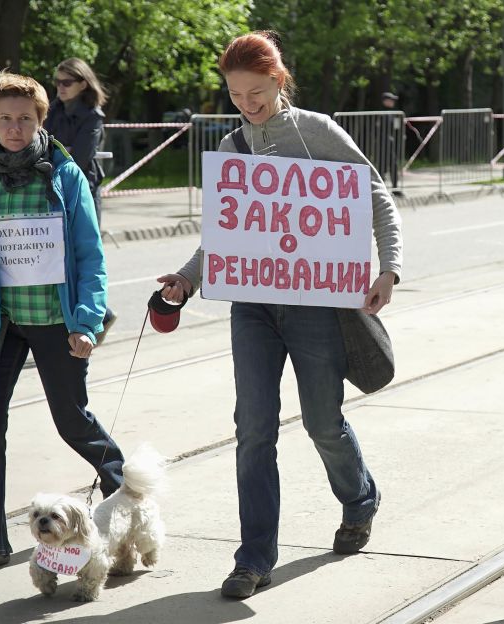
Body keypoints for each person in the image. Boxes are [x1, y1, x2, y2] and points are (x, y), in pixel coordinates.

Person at [155, 31, 402, 600]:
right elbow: (223, 233)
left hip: (317, 307)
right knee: (254, 429)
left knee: (323, 422)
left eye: (257, 91)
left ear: (278, 80)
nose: (247, 103)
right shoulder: (233, 146)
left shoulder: (314, 130)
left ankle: (359, 499)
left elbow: (376, 195)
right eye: (236, 94)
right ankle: (254, 558)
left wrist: (388, 269)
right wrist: (188, 279)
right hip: (254, 309)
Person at [0, 72, 124, 576]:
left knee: (73, 422)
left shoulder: (65, 175)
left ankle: (127, 499)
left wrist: (87, 321)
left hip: (56, 321)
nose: (14, 127)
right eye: (4, 118)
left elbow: (91, 255)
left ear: (40, 120)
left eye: (25, 118)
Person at [43, 58, 117, 342]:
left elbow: (80, 160)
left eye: (67, 83)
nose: (60, 88)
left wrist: (58, 153)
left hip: (82, 192)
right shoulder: (52, 110)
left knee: (82, 257)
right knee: (56, 257)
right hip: (51, 190)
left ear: (83, 83)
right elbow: (43, 146)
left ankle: (96, 316)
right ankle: (96, 316)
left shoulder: (92, 115)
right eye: (57, 82)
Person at [380, 91, 403, 192]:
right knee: (382, 166)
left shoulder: (393, 113)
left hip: (390, 143)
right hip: (382, 143)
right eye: (391, 100)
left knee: (393, 164)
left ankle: (395, 187)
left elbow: (396, 128)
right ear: (385, 101)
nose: (393, 102)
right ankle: (381, 189)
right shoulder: (380, 113)